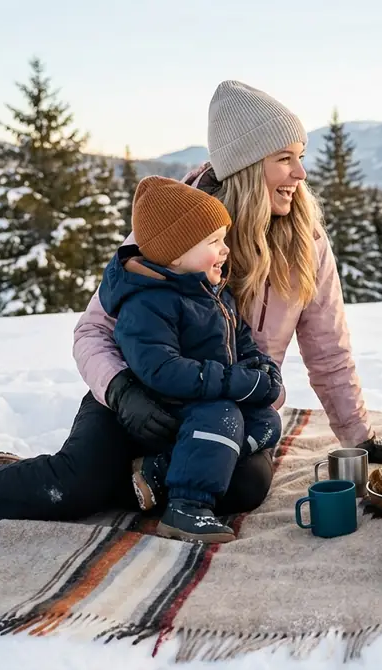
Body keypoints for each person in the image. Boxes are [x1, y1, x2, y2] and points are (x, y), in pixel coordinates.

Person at [0, 80, 382, 554]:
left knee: (245, 487)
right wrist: (120, 393)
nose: (301, 174)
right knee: (79, 484)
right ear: (247, 165)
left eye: (300, 156)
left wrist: (359, 437)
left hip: (222, 411)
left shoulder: (305, 242)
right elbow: (93, 329)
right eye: (286, 158)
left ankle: (126, 476)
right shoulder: (173, 225)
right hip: (144, 399)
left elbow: (328, 350)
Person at [97, 175, 284, 543]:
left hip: (206, 398)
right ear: (177, 254)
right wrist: (236, 383)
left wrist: (262, 370)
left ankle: (165, 469)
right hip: (169, 405)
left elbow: (242, 340)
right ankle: (187, 507)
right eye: (214, 242)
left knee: (267, 421)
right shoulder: (148, 303)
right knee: (224, 416)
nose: (226, 249)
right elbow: (162, 370)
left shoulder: (210, 292)